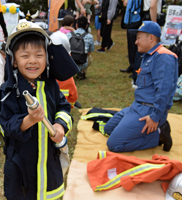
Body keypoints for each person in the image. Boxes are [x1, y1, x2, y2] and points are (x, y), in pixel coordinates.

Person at [0, 20, 76, 199]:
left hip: (49, 160)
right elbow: (6, 126)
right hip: (21, 164)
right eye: (25, 56)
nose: (33, 61)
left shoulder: (51, 86)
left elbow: (64, 107)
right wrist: (29, 120)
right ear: (14, 61)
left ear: (47, 58)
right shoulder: (8, 91)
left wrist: (60, 126)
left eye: (39, 55)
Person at [104, 21, 178, 152]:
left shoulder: (163, 57)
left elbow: (164, 92)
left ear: (151, 38)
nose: (135, 42)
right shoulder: (149, 55)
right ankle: (147, 129)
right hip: (137, 106)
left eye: (138, 38)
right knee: (108, 128)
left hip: (148, 111)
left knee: (114, 144)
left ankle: (159, 134)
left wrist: (155, 117)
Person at [66, 15, 94, 80]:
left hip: (69, 62)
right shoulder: (89, 37)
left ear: (76, 25)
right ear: (86, 26)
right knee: (90, 58)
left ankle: (70, 72)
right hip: (82, 62)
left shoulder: (68, 35)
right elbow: (89, 52)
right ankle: (81, 72)